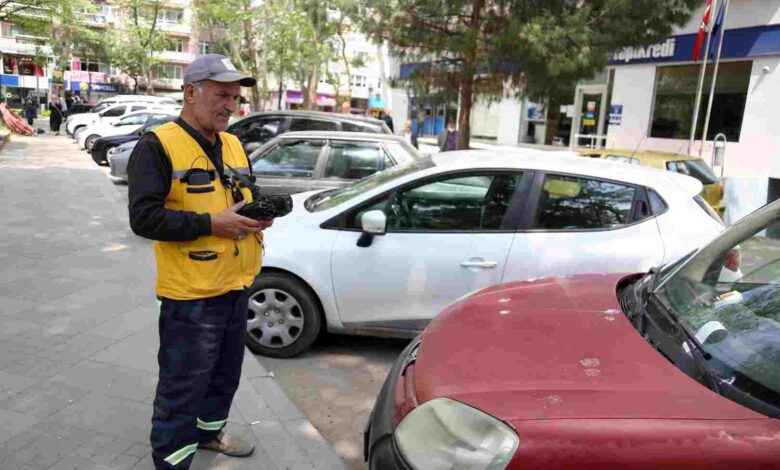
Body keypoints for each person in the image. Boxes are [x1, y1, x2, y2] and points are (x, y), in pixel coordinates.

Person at [127, 54, 272, 469]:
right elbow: (144, 217)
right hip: (189, 297)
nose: (231, 106)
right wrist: (212, 223)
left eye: (236, 98)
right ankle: (172, 461)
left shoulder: (232, 143)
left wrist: (257, 215)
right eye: (222, 95)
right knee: (182, 386)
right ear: (191, 92)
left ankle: (209, 434)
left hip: (236, 284)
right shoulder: (157, 145)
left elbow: (243, 195)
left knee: (225, 376)